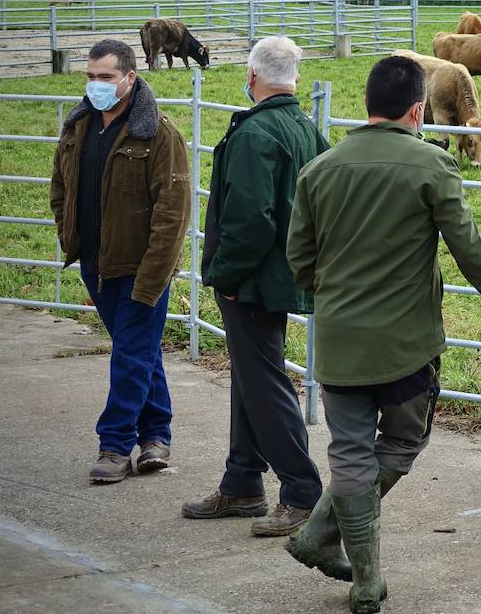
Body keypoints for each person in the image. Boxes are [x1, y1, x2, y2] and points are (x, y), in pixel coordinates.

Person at [284, 55, 481, 614]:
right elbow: (466, 244)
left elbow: (299, 259)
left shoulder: (320, 169)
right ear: (418, 109)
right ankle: (348, 564)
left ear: (368, 106)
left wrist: (338, 294)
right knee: (403, 442)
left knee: (350, 453)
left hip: (338, 341)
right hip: (406, 346)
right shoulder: (431, 165)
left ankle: (340, 556)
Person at [182, 37, 328, 536]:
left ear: (251, 77)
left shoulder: (255, 134)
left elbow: (249, 221)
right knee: (251, 376)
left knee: (263, 383)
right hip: (286, 276)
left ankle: (303, 493)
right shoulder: (307, 130)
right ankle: (243, 481)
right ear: (294, 78)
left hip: (251, 281)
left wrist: (223, 276)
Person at [49, 38, 191, 484]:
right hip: (96, 261)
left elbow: (173, 210)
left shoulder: (158, 133)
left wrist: (154, 274)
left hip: (141, 266)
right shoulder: (78, 128)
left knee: (130, 353)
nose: (97, 85)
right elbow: (60, 187)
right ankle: (156, 437)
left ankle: (114, 445)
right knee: (140, 352)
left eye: (106, 77)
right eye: (91, 77)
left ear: (130, 77)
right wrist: (69, 235)